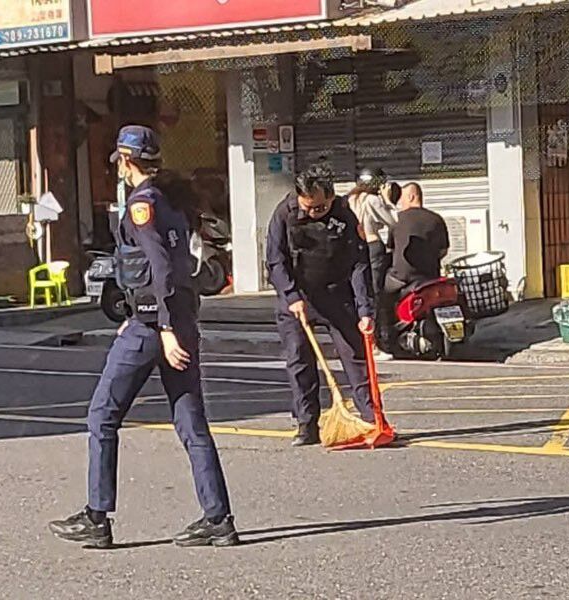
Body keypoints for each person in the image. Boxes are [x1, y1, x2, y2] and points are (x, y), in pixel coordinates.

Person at [49, 126, 238, 549]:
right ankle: (218, 518)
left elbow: (161, 268)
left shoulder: (142, 205)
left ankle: (97, 517)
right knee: (192, 424)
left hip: (156, 328)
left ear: (126, 161)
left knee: (102, 415)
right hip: (174, 321)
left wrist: (163, 327)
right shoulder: (169, 199)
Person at [266, 164, 377, 446]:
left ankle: (371, 420)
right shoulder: (284, 214)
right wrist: (291, 296)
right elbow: (275, 260)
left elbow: (358, 263)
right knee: (299, 361)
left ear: (330, 196)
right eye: (308, 207)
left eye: (319, 207)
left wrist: (365, 309)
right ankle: (307, 424)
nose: (312, 212)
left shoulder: (344, 214)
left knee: (355, 358)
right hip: (298, 298)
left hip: (335, 295)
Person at [377, 183, 450, 349]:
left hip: (402, 278)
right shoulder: (436, 219)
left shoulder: (398, 220)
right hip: (430, 277)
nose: (401, 203)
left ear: (411, 197)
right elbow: (443, 250)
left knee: (381, 297)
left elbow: (391, 249)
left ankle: (387, 339)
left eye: (402, 198)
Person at [348, 167, 399, 296]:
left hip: (355, 245)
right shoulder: (372, 200)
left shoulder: (351, 198)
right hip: (373, 245)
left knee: (360, 283)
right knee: (375, 286)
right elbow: (395, 221)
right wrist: (388, 201)